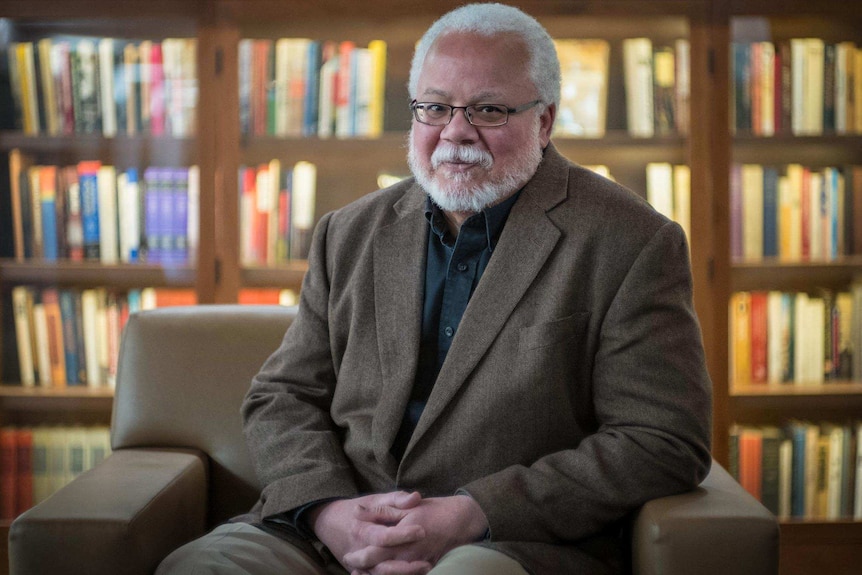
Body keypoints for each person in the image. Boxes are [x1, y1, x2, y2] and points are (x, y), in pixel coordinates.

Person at [157, 3, 712, 574]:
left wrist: (475, 512)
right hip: (332, 533)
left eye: (488, 110)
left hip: (503, 543)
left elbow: (663, 439)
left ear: (544, 122)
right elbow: (283, 396)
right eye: (435, 107)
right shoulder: (347, 233)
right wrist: (328, 511)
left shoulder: (632, 241)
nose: (455, 132)